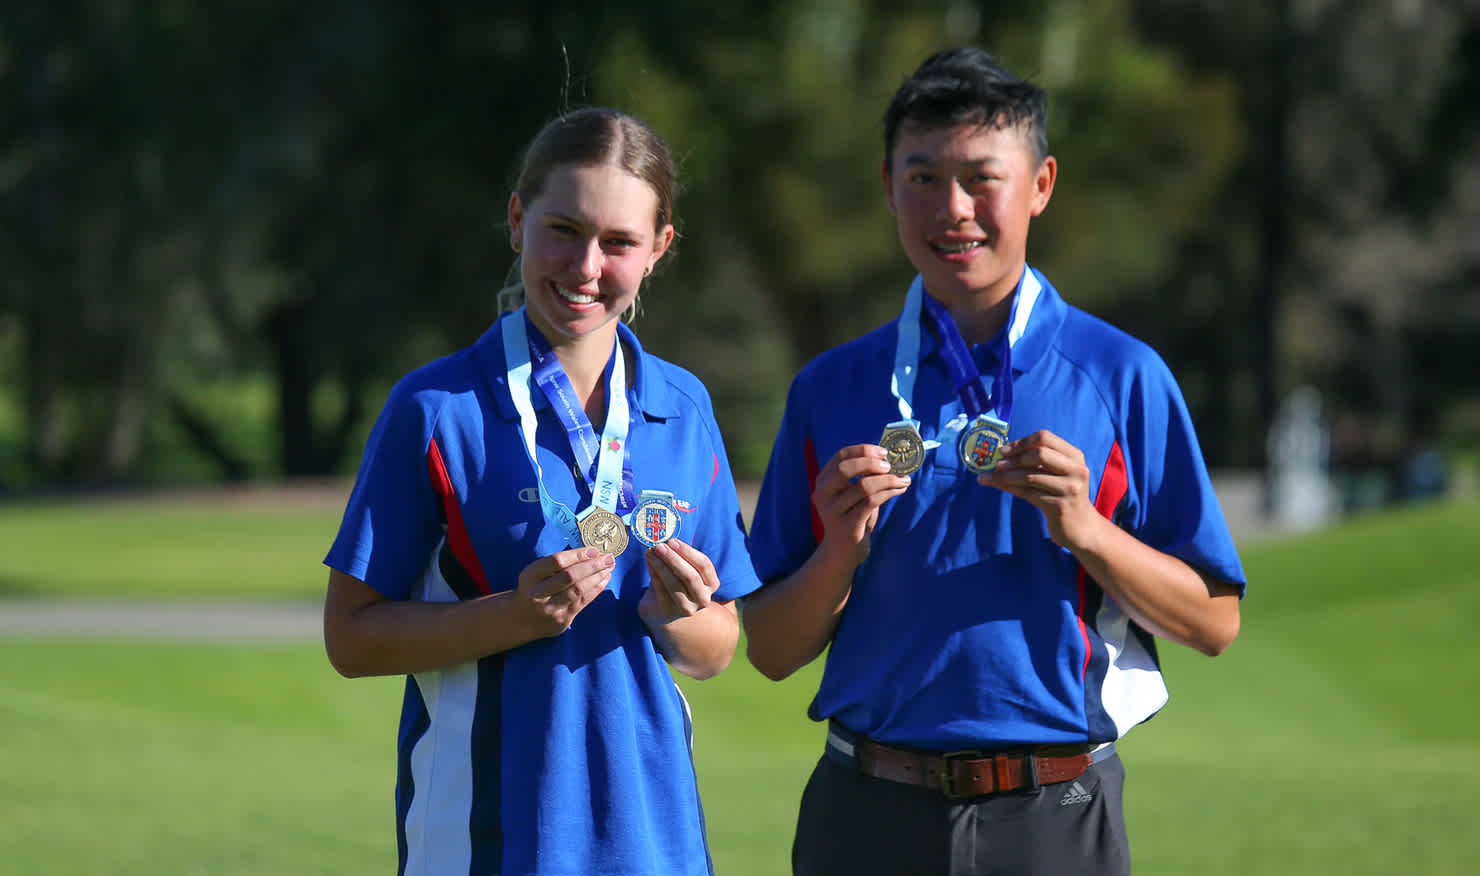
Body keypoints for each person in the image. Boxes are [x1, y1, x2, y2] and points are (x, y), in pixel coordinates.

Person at [741, 47, 1248, 876]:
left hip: (1055, 812)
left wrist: (1086, 529)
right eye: (923, 178)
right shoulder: (831, 388)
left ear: (1041, 185)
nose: (953, 209)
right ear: (886, 186)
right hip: (866, 808)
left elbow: (1214, 623)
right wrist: (839, 549)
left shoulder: (1123, 377)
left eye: (983, 178)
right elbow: (768, 650)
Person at [322, 106, 762, 876]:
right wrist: (513, 618)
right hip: (484, 843)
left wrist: (676, 615)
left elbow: (717, 647)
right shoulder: (437, 410)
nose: (586, 266)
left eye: (619, 242)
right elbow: (351, 638)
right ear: (518, 221)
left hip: (654, 844)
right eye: (564, 229)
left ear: (659, 249)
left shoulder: (683, 408)